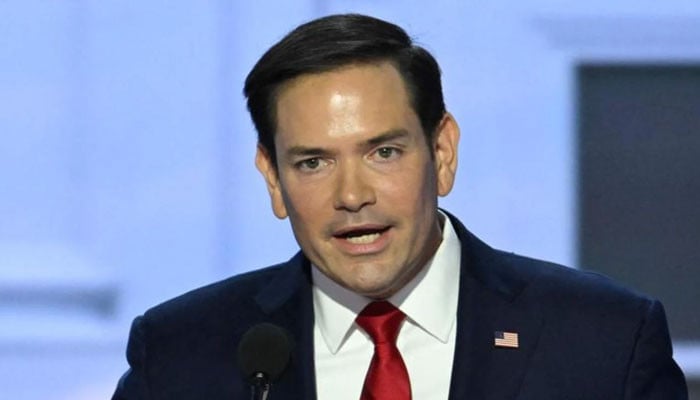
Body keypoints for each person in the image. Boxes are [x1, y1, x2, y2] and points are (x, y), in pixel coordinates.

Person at [111, 13, 688, 399]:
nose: (351, 196)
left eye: (383, 152)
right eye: (313, 162)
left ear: (442, 152)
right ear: (272, 178)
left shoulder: (603, 340)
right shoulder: (182, 354)